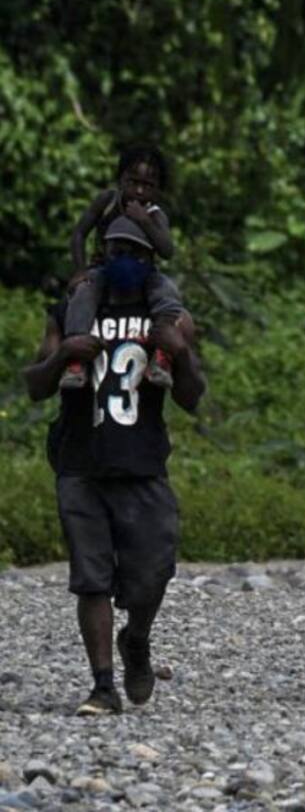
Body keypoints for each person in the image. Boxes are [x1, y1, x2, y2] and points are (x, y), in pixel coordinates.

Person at [23, 215, 206, 716]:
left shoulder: (168, 316)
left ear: (150, 259)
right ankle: (102, 685)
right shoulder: (72, 310)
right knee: (92, 579)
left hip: (142, 464)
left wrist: (181, 355)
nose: (124, 261)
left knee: (153, 573)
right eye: (116, 251)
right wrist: (64, 356)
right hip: (80, 462)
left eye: (135, 253)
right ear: (102, 253)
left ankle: (136, 638)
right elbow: (35, 385)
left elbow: (193, 397)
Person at [61, 145, 184, 390]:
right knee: (83, 293)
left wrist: (144, 220)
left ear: (158, 189)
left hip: (142, 273)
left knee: (168, 293)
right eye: (133, 182)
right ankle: (76, 358)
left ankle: (162, 355)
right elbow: (79, 234)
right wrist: (80, 270)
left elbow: (167, 251)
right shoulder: (107, 201)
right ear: (120, 180)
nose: (139, 190)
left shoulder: (154, 214)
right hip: (104, 268)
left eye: (147, 185)